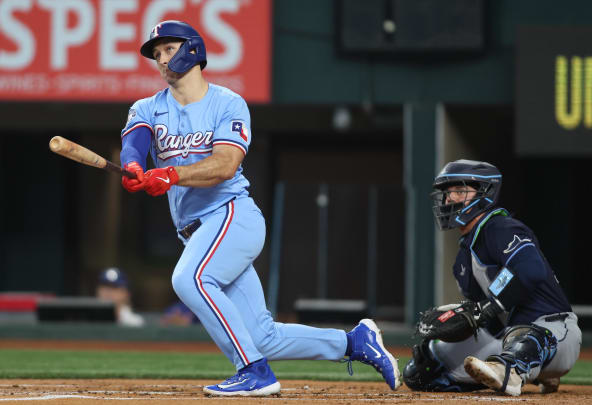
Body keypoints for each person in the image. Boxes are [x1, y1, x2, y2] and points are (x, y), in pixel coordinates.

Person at [119, 20, 401, 397]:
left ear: (193, 49)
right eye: (156, 54)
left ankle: (253, 370)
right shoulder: (148, 107)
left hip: (232, 215)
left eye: (168, 49)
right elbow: (134, 146)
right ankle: (354, 343)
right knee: (263, 336)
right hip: (198, 232)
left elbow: (224, 165)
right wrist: (135, 167)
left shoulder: (227, 102)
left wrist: (169, 174)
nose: (162, 59)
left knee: (190, 280)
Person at [402, 159, 581, 396]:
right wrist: (462, 319)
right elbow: (489, 320)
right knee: (422, 372)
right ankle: (517, 368)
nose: (449, 199)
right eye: (447, 193)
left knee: (526, 336)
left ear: (484, 193)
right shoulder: (462, 262)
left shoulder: (501, 228)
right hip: (508, 337)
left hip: (555, 330)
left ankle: (515, 370)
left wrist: (487, 307)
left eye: (459, 190)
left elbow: (531, 269)